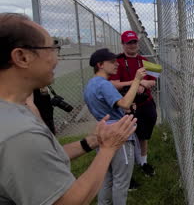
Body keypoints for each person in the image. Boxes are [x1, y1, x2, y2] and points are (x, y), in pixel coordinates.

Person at [0, 13, 137, 205]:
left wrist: (93, 141)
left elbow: (45, 157)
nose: (58, 59)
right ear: (22, 57)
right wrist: (108, 148)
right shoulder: (20, 134)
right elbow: (66, 201)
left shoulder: (14, 111)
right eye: (52, 48)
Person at [84, 48, 146, 205]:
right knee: (121, 181)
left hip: (103, 132)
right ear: (100, 65)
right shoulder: (104, 84)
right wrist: (137, 79)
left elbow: (117, 105)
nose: (116, 64)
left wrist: (124, 105)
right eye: (111, 62)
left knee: (106, 178)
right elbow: (124, 104)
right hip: (118, 135)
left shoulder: (91, 84)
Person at [109, 30, 157, 177]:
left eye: (134, 42)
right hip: (127, 105)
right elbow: (113, 84)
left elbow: (154, 80)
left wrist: (147, 83)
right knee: (126, 137)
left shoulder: (145, 60)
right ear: (123, 44)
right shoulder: (117, 61)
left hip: (145, 102)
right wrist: (136, 83)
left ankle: (143, 161)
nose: (132, 45)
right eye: (128, 43)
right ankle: (124, 167)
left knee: (144, 135)